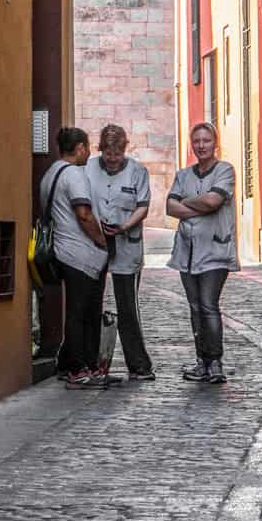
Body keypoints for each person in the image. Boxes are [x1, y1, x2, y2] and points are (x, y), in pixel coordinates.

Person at [166, 122, 239, 385]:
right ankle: (202, 362)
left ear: (214, 143)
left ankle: (215, 361)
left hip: (215, 250)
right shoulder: (183, 175)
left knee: (208, 305)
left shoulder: (225, 171)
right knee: (195, 308)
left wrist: (185, 203)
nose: (201, 145)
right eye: (196, 141)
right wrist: (197, 207)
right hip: (187, 252)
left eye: (206, 140)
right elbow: (170, 208)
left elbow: (213, 201)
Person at [39, 126, 110, 388]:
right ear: (79, 147)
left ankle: (79, 365)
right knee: (81, 313)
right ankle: (79, 369)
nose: (89, 152)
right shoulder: (74, 175)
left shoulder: (50, 174)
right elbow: (83, 214)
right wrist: (100, 240)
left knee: (79, 311)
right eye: (87, 147)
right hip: (79, 253)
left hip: (63, 251)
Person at [85, 124, 156, 381]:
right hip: (95, 243)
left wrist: (125, 225)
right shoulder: (89, 168)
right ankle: (91, 362)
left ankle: (138, 364)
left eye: (117, 154)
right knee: (91, 301)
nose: (112, 159)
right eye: (108, 154)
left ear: (124, 150)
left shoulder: (138, 171)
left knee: (127, 306)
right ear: (101, 150)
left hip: (127, 244)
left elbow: (143, 206)